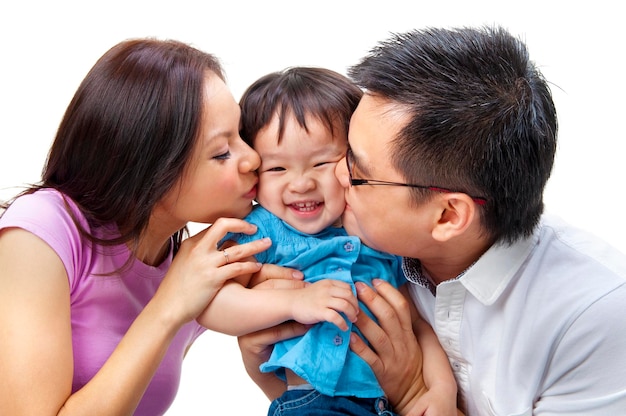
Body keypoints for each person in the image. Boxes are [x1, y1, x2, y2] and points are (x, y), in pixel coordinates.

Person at [239, 26, 626, 415]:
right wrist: (269, 375)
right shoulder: (372, 250)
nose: (335, 177)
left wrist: (409, 392)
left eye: (356, 170)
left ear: (447, 216)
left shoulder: (593, 316)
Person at [0, 38, 307, 415]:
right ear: (150, 166)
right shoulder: (42, 231)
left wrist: (264, 373)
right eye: (221, 152)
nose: (253, 159)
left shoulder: (190, 265)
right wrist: (170, 305)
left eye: (241, 135)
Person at [196, 67, 457, 415]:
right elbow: (212, 305)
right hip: (310, 403)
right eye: (277, 169)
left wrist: (442, 391)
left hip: (387, 403)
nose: (301, 184)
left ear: (353, 163)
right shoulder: (262, 229)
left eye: (321, 163)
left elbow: (419, 327)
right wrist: (294, 303)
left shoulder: (377, 231)